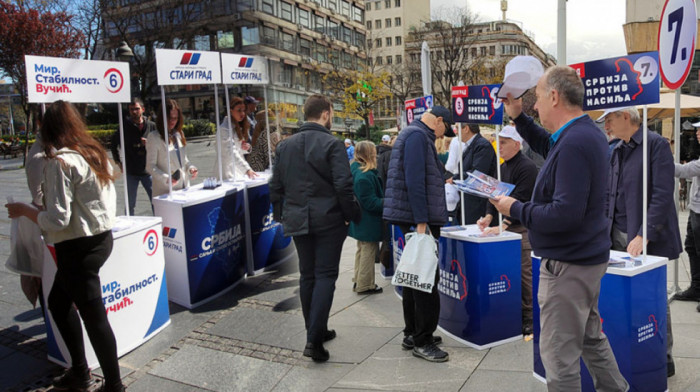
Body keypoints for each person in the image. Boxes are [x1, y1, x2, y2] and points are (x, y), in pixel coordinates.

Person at [493, 66, 628, 391]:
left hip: (569, 266)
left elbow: (564, 214)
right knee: (590, 340)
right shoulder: (579, 134)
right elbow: (547, 146)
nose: (534, 107)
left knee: (559, 359)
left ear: (554, 96)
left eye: (537, 99)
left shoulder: (576, 141)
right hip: (583, 260)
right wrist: (518, 118)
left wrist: (515, 208)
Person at [6, 101, 124, 392]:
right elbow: (112, 178)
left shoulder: (61, 161)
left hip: (78, 247)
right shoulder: (94, 152)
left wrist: (25, 210)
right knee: (58, 304)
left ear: (47, 129)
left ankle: (113, 385)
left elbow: (58, 219)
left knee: (93, 318)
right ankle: (81, 372)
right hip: (98, 240)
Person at [269, 94, 359, 362]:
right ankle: (313, 339)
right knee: (325, 277)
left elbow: (276, 186)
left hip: (297, 218)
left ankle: (315, 330)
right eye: (331, 113)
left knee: (308, 276)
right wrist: (349, 215)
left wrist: (280, 215)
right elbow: (344, 185)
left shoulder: (285, 147)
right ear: (326, 114)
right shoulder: (332, 144)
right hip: (329, 219)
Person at [600, 106, 681, 377]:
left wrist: (644, 233)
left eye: (609, 120)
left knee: (651, 295)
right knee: (620, 295)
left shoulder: (655, 145)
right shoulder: (616, 149)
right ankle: (625, 344)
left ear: (626, 117)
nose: (606, 126)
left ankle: (662, 355)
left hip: (643, 237)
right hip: (615, 234)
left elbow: (661, 194)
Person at [383, 105, 455, 363]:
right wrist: (422, 221)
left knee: (414, 277)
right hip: (417, 220)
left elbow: (425, 174)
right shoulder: (417, 136)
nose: (441, 137)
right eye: (443, 130)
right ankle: (423, 339)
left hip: (411, 217)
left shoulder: (415, 135)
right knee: (425, 279)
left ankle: (412, 333)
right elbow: (414, 180)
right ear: (437, 121)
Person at [477, 125, 537, 336]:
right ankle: (515, 312)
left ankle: (530, 317)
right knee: (508, 273)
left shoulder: (527, 167)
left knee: (524, 273)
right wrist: (488, 217)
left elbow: (522, 198)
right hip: (504, 228)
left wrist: (503, 225)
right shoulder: (502, 167)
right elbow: (492, 194)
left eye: (503, 143)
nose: (498, 146)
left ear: (517, 144)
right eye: (498, 142)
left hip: (521, 229)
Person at [349, 141, 384, 294]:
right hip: (368, 221)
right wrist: (388, 201)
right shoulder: (364, 175)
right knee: (368, 251)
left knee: (361, 250)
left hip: (360, 220)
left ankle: (358, 280)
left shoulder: (355, 169)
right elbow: (371, 203)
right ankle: (365, 284)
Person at [110, 98, 156, 215]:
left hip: (149, 170)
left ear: (143, 109)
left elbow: (162, 143)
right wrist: (118, 162)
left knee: (156, 201)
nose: (134, 112)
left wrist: (150, 144)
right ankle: (129, 226)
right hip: (131, 171)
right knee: (130, 203)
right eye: (132, 109)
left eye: (137, 109)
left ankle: (161, 223)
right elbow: (113, 145)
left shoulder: (151, 126)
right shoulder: (124, 126)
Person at [146, 99, 199, 197]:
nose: (173, 121)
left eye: (176, 118)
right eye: (170, 118)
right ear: (162, 118)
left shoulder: (179, 133)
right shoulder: (153, 137)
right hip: (166, 190)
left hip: (184, 187)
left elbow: (184, 160)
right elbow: (150, 166)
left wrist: (191, 168)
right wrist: (166, 178)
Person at [674, 124, 700, 311]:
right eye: (697, 130)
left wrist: (659, 158)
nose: (697, 133)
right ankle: (696, 288)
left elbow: (685, 171)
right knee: (691, 247)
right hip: (695, 209)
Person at [454, 123, 497, 225]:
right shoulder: (473, 145)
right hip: (469, 201)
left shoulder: (482, 145)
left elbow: (477, 173)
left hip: (477, 203)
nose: (455, 131)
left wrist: (455, 178)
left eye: (457, 128)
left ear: (466, 129)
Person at [212, 97, 257, 181]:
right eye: (239, 110)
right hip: (227, 172)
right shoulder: (224, 129)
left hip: (238, 171)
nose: (242, 113)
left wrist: (246, 148)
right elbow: (230, 152)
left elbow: (238, 150)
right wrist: (247, 169)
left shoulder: (238, 126)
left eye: (244, 110)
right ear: (231, 110)